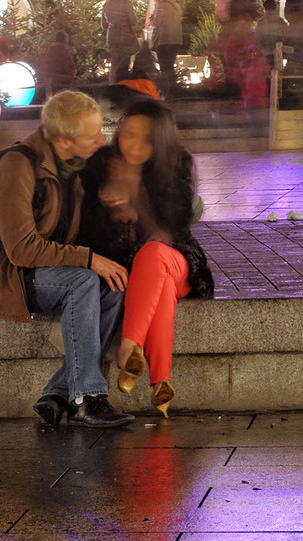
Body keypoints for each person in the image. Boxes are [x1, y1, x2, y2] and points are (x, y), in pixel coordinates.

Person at [0, 86, 129, 428]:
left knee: (112, 286)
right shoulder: (18, 167)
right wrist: (89, 259)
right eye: (92, 136)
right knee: (84, 278)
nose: (100, 142)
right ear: (64, 141)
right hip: (7, 275)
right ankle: (87, 397)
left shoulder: (69, 165)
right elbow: (21, 248)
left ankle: (58, 394)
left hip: (44, 269)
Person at [78, 95, 213, 416]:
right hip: (136, 273)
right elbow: (88, 233)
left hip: (177, 261)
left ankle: (129, 350)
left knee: (154, 255)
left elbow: (168, 233)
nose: (135, 146)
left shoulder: (178, 164)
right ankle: (161, 383)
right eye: (129, 134)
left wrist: (135, 197)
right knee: (160, 289)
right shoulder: (100, 165)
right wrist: (114, 210)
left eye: (147, 140)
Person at [102, 0, 139, 80]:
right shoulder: (127, 3)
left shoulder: (107, 4)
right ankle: (122, 87)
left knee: (114, 66)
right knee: (124, 66)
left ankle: (113, 86)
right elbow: (133, 21)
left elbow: (104, 25)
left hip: (112, 39)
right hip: (125, 39)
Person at [145, 0, 184, 65]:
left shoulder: (161, 6)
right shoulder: (176, 6)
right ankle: (172, 77)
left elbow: (156, 23)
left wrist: (151, 19)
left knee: (164, 67)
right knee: (170, 66)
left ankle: (167, 77)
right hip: (177, 40)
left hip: (164, 40)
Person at [38, 26, 79, 98]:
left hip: (53, 81)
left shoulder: (50, 51)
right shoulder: (64, 51)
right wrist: (73, 74)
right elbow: (69, 67)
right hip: (65, 81)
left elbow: (45, 65)